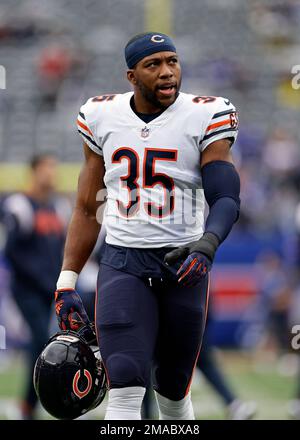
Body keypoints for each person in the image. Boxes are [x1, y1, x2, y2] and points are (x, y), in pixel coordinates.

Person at [54, 32, 241, 420]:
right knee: (123, 386)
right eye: (153, 65)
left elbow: (225, 197)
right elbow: (88, 208)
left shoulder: (206, 113)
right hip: (123, 263)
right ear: (131, 76)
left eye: (172, 61)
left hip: (184, 265)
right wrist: (66, 281)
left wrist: (207, 244)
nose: (167, 72)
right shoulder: (100, 115)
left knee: (172, 394)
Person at [1, 153, 68, 419]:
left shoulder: (58, 206)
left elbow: (63, 249)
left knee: (44, 343)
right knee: (42, 342)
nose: (51, 173)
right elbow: (12, 252)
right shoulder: (19, 205)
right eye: (46, 168)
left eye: (54, 168)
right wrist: (40, 280)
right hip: (27, 289)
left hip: (49, 289)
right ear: (34, 171)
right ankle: (30, 406)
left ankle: (36, 404)